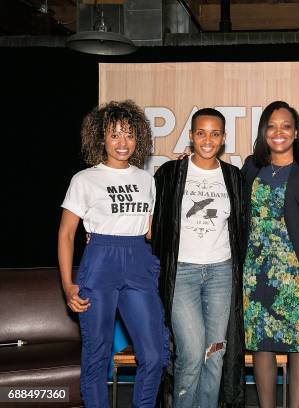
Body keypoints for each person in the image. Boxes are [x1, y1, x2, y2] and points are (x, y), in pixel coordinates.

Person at [58, 100, 168, 408]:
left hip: (138, 260)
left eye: (130, 135)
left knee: (155, 354)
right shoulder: (85, 179)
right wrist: (68, 283)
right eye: (115, 134)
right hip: (100, 262)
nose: (123, 143)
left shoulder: (147, 179)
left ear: (139, 139)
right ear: (102, 138)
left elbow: (148, 230)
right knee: (98, 354)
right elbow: (66, 234)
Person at [151, 108, 245, 407]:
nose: (208, 140)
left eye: (215, 133)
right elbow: (149, 221)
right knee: (191, 354)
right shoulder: (170, 173)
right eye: (201, 133)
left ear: (224, 138)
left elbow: (241, 228)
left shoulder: (233, 177)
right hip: (182, 274)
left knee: (214, 354)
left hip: (220, 274)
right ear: (191, 136)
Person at [242, 100, 299, 408]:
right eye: (272, 126)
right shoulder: (250, 167)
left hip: (297, 271)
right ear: (263, 131)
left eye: (286, 126)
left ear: (295, 132)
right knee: (260, 344)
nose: (278, 132)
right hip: (255, 270)